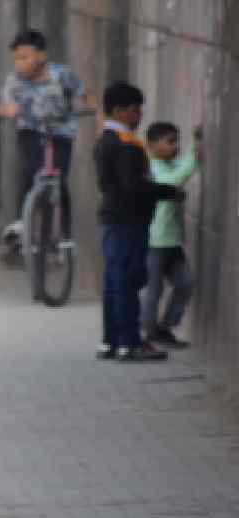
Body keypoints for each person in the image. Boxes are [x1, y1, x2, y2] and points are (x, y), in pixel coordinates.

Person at [93, 81, 179, 362]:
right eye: (135, 110)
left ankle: (112, 341)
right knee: (127, 281)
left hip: (114, 220)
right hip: (127, 222)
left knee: (115, 281)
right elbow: (134, 187)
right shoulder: (124, 145)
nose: (140, 115)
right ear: (119, 111)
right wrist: (168, 191)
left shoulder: (106, 141)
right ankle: (130, 343)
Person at [0, 29, 91, 237]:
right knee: (30, 172)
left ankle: (64, 235)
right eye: (16, 59)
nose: (20, 64)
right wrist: (9, 110)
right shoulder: (13, 80)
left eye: (25, 57)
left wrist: (94, 111)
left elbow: (83, 95)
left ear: (41, 56)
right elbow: (4, 106)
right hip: (30, 131)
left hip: (61, 132)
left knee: (59, 180)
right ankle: (24, 222)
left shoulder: (62, 75)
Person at [143, 121, 201, 349]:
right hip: (155, 242)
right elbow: (175, 180)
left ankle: (165, 327)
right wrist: (194, 153)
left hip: (172, 242)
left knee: (186, 282)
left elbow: (179, 172)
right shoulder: (154, 169)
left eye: (177, 141)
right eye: (170, 141)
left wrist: (191, 152)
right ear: (152, 145)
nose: (175, 146)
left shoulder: (170, 164)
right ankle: (148, 333)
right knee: (153, 291)